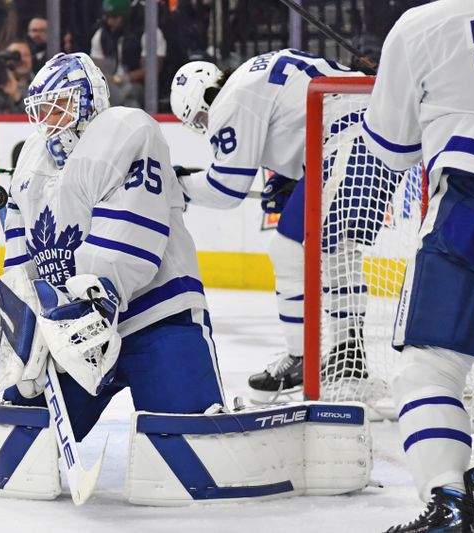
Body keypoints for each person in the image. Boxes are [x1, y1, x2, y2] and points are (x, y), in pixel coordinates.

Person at [0, 52, 224, 442]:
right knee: (22, 437)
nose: (50, 119)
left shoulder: (126, 129)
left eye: (60, 106)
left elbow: (130, 233)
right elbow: (21, 254)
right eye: (42, 110)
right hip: (71, 330)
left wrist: (95, 299)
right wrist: (29, 328)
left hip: (156, 315)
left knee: (187, 444)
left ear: (90, 100)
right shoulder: (31, 157)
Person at [362, 0, 474, 530]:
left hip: (473, 209)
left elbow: (392, 150)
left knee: (429, 370)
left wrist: (396, 83)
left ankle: (447, 499)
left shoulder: (422, 24)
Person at [169, 51, 397, 409]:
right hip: (373, 134)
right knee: (337, 248)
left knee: (288, 249)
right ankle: (347, 358)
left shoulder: (230, 100)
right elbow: (298, 116)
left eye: (200, 116)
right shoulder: (253, 74)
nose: (206, 124)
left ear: (207, 96)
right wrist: (292, 176)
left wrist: (178, 184)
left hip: (346, 140)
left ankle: (301, 358)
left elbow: (226, 189)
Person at [90, 0, 166, 108]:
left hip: (138, 86)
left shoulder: (148, 32)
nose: (109, 21)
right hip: (111, 84)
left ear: (125, 16)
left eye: (114, 17)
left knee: (130, 93)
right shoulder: (101, 35)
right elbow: (95, 68)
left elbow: (151, 69)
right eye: (106, 16)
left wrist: (121, 78)